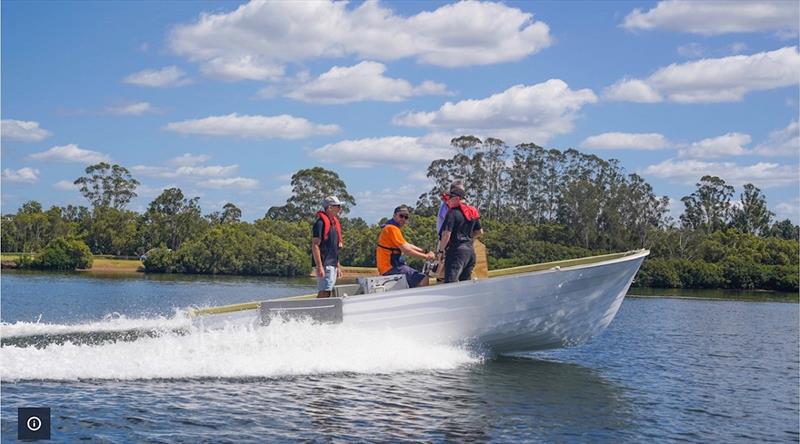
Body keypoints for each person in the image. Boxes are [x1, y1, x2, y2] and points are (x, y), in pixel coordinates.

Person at [376, 204, 436, 288]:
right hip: (391, 268)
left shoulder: (390, 227)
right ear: (394, 215)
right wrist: (426, 256)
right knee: (423, 279)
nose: (403, 219)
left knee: (416, 278)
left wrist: (424, 251)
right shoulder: (392, 229)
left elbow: (406, 244)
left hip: (389, 267)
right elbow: (406, 250)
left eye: (406, 217)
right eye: (401, 216)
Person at [437, 186, 483, 283]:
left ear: (457, 199)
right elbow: (479, 231)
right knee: (465, 284)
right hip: (470, 252)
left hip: (456, 252)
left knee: (450, 283)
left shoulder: (452, 213)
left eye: (450, 198)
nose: (447, 201)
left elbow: (446, 234)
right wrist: (468, 239)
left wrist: (441, 251)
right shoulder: (472, 211)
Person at [312, 195, 343, 298]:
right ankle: (317, 312)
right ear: (330, 207)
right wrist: (319, 266)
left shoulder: (334, 224)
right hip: (325, 263)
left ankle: (321, 312)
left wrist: (337, 265)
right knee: (324, 290)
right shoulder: (320, 223)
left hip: (332, 263)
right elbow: (315, 245)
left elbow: (335, 247)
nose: (340, 208)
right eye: (337, 206)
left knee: (328, 290)